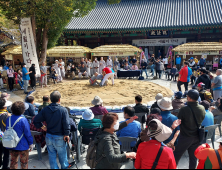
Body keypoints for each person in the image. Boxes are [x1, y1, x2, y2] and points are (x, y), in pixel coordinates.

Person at [33, 91, 75, 169]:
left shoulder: (45, 109)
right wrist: (66, 134)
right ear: (59, 99)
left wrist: (42, 127)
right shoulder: (63, 110)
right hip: (60, 137)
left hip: (49, 136)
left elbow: (36, 120)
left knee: (52, 156)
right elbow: (66, 123)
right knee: (62, 156)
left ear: (51, 99)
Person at [174, 89, 206, 169]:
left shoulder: (184, 109)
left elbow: (178, 121)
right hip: (197, 136)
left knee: (176, 156)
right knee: (193, 158)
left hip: (185, 136)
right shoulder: (202, 108)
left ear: (189, 98)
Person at [6, 101, 33, 169]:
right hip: (23, 145)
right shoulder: (23, 120)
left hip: (12, 144)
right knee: (24, 163)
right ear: (23, 110)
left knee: (13, 162)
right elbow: (27, 133)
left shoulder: (8, 119)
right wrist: (31, 143)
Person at [0, 98, 11, 169]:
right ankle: (5, 166)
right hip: (5, 137)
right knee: (6, 153)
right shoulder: (7, 115)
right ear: (5, 107)